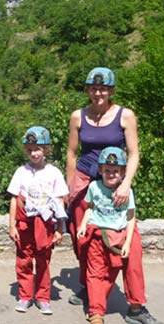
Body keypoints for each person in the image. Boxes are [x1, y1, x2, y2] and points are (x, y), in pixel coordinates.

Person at [65, 67, 141, 308]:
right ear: (88, 90)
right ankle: (88, 285)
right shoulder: (78, 116)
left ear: (111, 90)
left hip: (114, 183)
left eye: (104, 88)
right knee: (83, 238)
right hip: (85, 180)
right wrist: (69, 189)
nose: (99, 93)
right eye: (94, 88)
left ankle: (135, 302)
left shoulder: (125, 116)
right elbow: (71, 153)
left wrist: (126, 183)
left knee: (126, 238)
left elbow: (134, 153)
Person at [76, 147, 163, 324]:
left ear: (123, 173)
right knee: (96, 274)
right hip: (98, 235)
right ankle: (96, 312)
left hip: (120, 235)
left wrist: (128, 243)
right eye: (107, 170)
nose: (110, 174)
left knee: (124, 272)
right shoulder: (94, 186)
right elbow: (90, 207)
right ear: (100, 170)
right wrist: (83, 225)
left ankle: (135, 309)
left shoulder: (126, 192)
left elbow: (131, 218)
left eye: (115, 171)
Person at [6, 126, 68, 315]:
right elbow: (14, 199)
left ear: (46, 149)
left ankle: (43, 297)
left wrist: (60, 228)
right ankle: (25, 295)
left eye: (38, 149)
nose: (34, 153)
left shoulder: (54, 173)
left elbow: (60, 202)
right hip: (25, 223)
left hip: (45, 224)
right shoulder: (21, 172)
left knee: (43, 260)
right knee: (24, 260)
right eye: (30, 149)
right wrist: (11, 225)